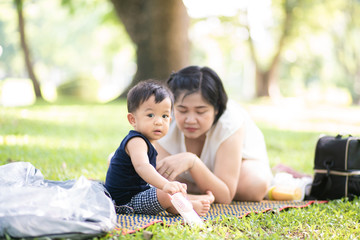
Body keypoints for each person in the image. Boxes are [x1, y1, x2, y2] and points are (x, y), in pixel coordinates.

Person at [154, 66, 273, 203]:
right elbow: (155, 179)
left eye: (200, 111)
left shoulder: (230, 122)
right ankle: (200, 187)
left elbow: (225, 196)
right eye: (182, 110)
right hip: (199, 177)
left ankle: (287, 178)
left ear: (216, 107)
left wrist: (191, 161)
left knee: (252, 186)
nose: (190, 120)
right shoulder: (163, 119)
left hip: (240, 166)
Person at [105, 80, 211, 216]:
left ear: (170, 120)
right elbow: (142, 167)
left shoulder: (148, 142)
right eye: (150, 115)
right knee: (166, 192)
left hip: (137, 193)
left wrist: (168, 185)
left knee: (172, 188)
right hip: (124, 202)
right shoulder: (136, 141)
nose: (159, 121)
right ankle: (187, 205)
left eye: (165, 116)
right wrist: (166, 185)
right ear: (133, 120)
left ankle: (189, 200)